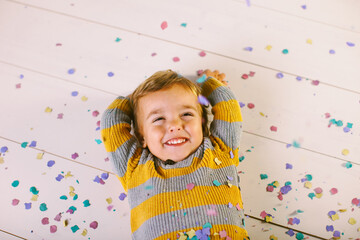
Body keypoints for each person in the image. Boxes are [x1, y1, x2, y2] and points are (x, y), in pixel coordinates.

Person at [101, 69, 249, 240]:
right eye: (158, 119)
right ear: (142, 137)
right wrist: (135, 100)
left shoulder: (221, 149)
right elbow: (111, 122)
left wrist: (209, 83)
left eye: (187, 114)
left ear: (202, 125)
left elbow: (228, 106)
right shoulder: (134, 167)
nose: (174, 125)